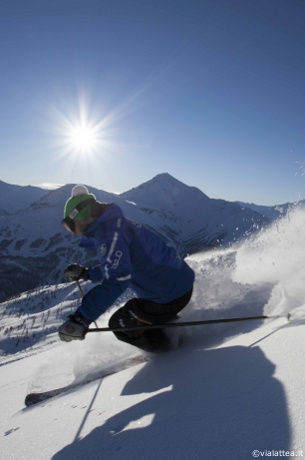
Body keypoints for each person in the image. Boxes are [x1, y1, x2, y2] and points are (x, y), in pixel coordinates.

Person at [58, 185, 195, 353]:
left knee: (119, 325)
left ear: (79, 218)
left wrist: (81, 318)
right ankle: (170, 331)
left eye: (68, 226)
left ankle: (173, 352)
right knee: (135, 315)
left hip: (168, 295)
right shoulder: (113, 224)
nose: (71, 231)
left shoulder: (109, 234)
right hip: (178, 283)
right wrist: (87, 274)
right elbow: (120, 263)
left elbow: (118, 279)